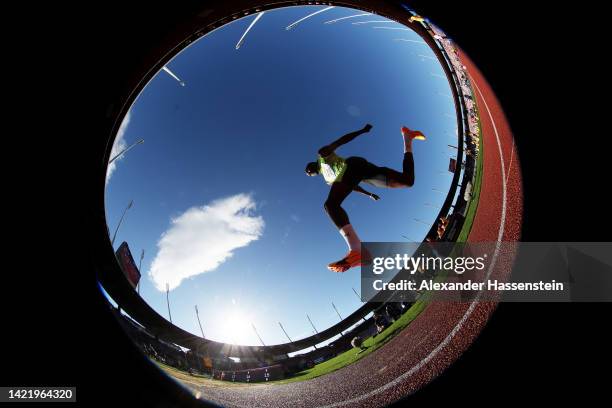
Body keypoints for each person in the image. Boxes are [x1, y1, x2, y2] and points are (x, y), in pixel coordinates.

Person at [305, 123, 426, 272]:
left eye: (308, 171)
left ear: (311, 166)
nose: (308, 173)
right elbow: (351, 184)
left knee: (330, 205)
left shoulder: (322, 155)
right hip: (363, 175)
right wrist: (368, 194)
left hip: (353, 165)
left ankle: (356, 249)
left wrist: (361, 131)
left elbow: (342, 140)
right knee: (408, 181)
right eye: (308, 174)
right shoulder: (328, 179)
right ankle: (407, 138)